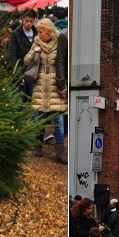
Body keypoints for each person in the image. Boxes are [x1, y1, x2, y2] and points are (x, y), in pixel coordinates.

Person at [23, 18, 68, 162]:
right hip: (40, 84)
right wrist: (34, 53)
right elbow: (26, 61)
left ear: (48, 31)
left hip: (56, 85)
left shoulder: (59, 41)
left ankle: (60, 152)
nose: (39, 34)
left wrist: (63, 84)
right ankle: (37, 147)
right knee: (38, 118)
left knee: (59, 120)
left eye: (41, 31)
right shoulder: (36, 42)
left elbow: (63, 62)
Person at [8, 9, 38, 100]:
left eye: (31, 21)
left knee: (34, 98)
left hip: (34, 70)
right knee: (21, 98)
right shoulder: (15, 34)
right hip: (21, 69)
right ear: (22, 20)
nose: (29, 23)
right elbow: (12, 55)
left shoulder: (37, 33)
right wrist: (17, 75)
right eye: (27, 21)